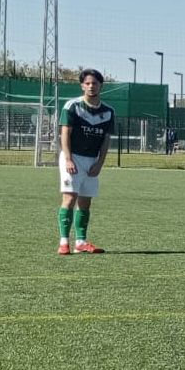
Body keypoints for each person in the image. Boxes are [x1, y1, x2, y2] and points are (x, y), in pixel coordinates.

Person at [57, 69, 115, 255]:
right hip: (73, 157)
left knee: (85, 202)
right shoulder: (72, 106)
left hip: (92, 160)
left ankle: (80, 242)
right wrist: (68, 159)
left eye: (95, 83)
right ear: (82, 85)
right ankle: (64, 242)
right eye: (87, 83)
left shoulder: (108, 111)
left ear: (101, 86)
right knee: (69, 198)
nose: (91, 86)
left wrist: (99, 163)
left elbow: (106, 141)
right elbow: (65, 133)